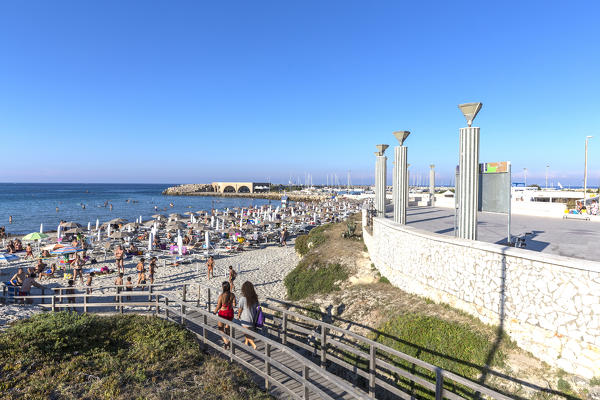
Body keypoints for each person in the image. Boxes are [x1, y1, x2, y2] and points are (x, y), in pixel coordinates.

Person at [214, 281, 236, 349]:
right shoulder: (233, 295)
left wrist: (214, 312)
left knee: (220, 329)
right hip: (230, 313)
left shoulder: (221, 296)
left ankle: (227, 342)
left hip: (223, 313)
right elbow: (234, 304)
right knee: (227, 329)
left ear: (223, 287)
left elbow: (218, 306)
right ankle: (227, 344)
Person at [237, 281, 259, 350]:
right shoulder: (255, 298)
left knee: (246, 332)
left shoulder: (243, 299)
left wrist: (238, 315)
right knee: (248, 331)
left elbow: (240, 309)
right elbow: (257, 307)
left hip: (245, 318)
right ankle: (246, 344)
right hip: (253, 317)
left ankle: (253, 344)